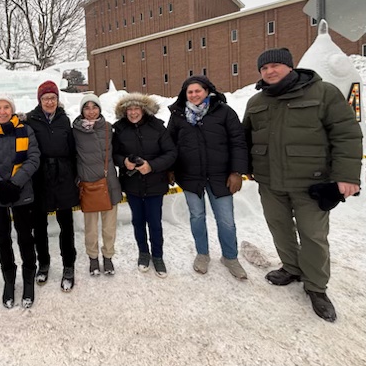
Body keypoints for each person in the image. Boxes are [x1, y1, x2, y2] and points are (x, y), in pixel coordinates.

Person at [243, 48, 362, 322]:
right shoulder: (257, 101)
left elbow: (346, 134)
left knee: (313, 235)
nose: (269, 71)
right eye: (264, 68)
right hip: (270, 182)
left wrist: (347, 176)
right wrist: (246, 168)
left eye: (275, 65)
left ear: (290, 66)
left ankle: (316, 287)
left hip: (312, 182)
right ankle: (291, 268)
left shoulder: (323, 93)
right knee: (279, 227)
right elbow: (245, 137)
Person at [167, 76, 248, 279]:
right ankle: (202, 254)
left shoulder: (224, 112)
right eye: (190, 92)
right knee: (197, 216)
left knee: (226, 220)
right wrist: (170, 169)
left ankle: (230, 257)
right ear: (185, 94)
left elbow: (238, 142)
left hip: (221, 176)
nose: (194, 95)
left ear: (207, 91)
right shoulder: (178, 115)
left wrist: (237, 172)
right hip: (190, 176)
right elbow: (170, 145)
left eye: (198, 91)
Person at [0, 94, 40, 309]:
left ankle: (28, 279)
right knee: (2, 239)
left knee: (25, 237)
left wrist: (15, 183)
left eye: (6, 107)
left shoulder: (25, 130)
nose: (2, 111)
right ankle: (9, 280)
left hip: (22, 192)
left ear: (12, 110)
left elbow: (33, 158)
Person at [113, 92, 177, 277]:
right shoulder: (120, 129)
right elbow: (113, 154)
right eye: (129, 109)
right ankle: (143, 253)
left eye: (136, 108)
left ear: (144, 110)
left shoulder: (157, 127)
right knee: (138, 221)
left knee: (155, 222)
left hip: (155, 183)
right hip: (132, 184)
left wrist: (152, 166)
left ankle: (158, 256)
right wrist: (124, 161)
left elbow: (171, 153)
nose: (133, 113)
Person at [25, 81, 79, 291]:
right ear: (39, 100)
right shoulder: (30, 120)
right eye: (46, 98)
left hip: (63, 176)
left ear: (58, 99)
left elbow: (72, 149)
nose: (50, 102)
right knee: (39, 226)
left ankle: (68, 265)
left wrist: (75, 174)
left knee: (66, 225)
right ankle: (44, 263)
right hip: (40, 177)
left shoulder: (64, 120)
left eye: (53, 98)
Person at [72, 94, 122, 276]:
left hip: (109, 183)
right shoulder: (75, 131)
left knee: (109, 227)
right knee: (91, 228)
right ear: (82, 111)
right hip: (89, 184)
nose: (91, 111)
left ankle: (108, 257)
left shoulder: (108, 128)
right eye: (87, 107)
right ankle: (93, 258)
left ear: (99, 109)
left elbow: (118, 151)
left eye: (94, 107)